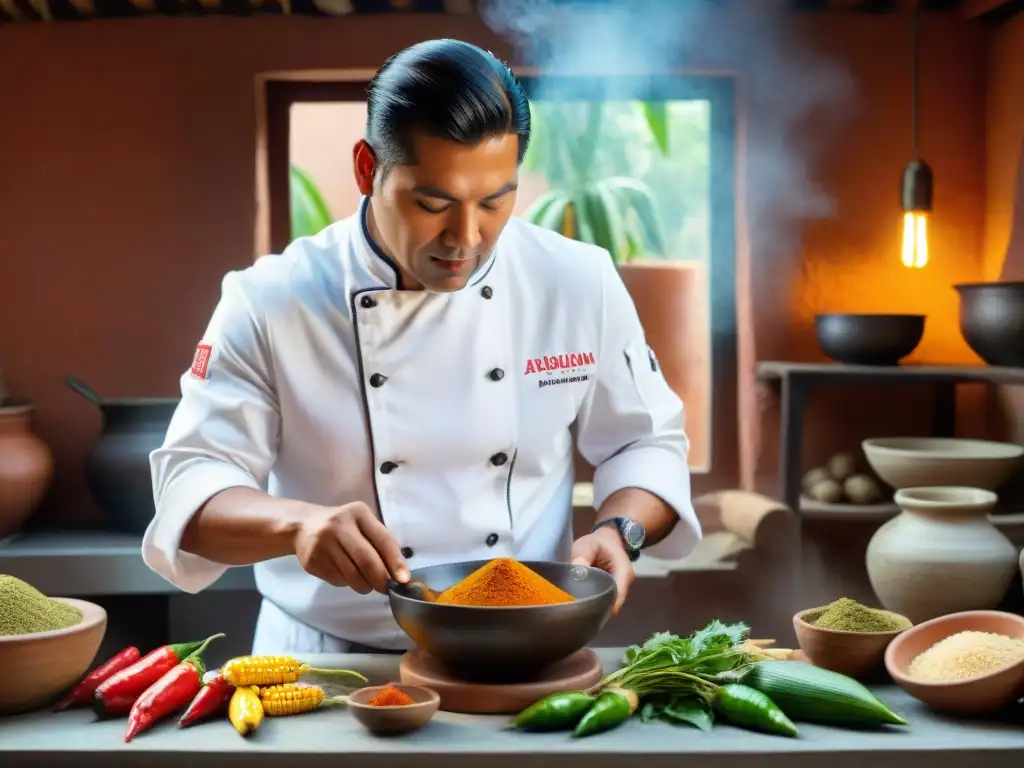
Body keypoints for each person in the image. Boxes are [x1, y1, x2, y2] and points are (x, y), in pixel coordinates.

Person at [142, 38, 701, 655]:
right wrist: (296, 525)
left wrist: (620, 532)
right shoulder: (272, 299)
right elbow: (190, 489)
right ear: (366, 169)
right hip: (326, 661)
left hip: (519, 647)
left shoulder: (576, 281)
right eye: (432, 203)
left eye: (495, 202)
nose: (466, 237)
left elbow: (645, 440)